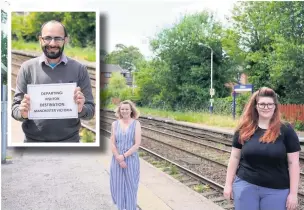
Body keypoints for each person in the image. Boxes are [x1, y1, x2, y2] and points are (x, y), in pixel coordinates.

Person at [11, 20, 95, 142]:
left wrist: (81, 109)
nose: (52, 43)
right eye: (47, 38)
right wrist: (22, 112)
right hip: (33, 143)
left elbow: (90, 111)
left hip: (70, 143)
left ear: (65, 40)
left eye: (58, 39)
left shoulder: (79, 69)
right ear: (40, 39)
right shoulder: (27, 68)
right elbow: (15, 109)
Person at [224, 87, 301, 210]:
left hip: (277, 190)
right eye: (262, 104)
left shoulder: (286, 130)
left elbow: (294, 163)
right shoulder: (244, 128)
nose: (266, 107)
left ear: (275, 106)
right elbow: (234, 157)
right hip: (245, 186)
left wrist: (293, 194)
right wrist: (228, 184)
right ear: (256, 106)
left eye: (270, 104)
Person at [110, 100, 141, 210]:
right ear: (119, 110)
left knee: (131, 186)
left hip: (131, 159)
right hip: (117, 159)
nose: (124, 111)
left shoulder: (136, 124)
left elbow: (137, 144)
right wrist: (119, 158)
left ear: (131, 110)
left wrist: (124, 156)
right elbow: (112, 143)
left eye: (127, 109)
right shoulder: (114, 124)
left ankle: (131, 207)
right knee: (118, 186)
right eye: (122, 109)